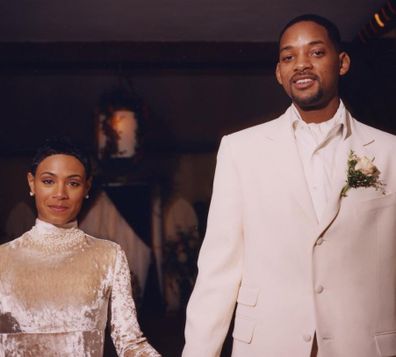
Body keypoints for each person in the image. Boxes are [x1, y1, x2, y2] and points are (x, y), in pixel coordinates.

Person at [183, 14, 396, 357]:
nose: (301, 65)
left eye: (315, 53)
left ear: (341, 63)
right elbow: (218, 271)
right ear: (279, 72)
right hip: (268, 344)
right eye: (288, 57)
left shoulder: (389, 152)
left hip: (364, 345)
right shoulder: (241, 150)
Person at [0, 138, 161, 357]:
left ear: (86, 187)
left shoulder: (108, 255)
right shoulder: (3, 259)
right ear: (32, 183)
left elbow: (130, 342)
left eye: (73, 183)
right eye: (48, 181)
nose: (60, 194)